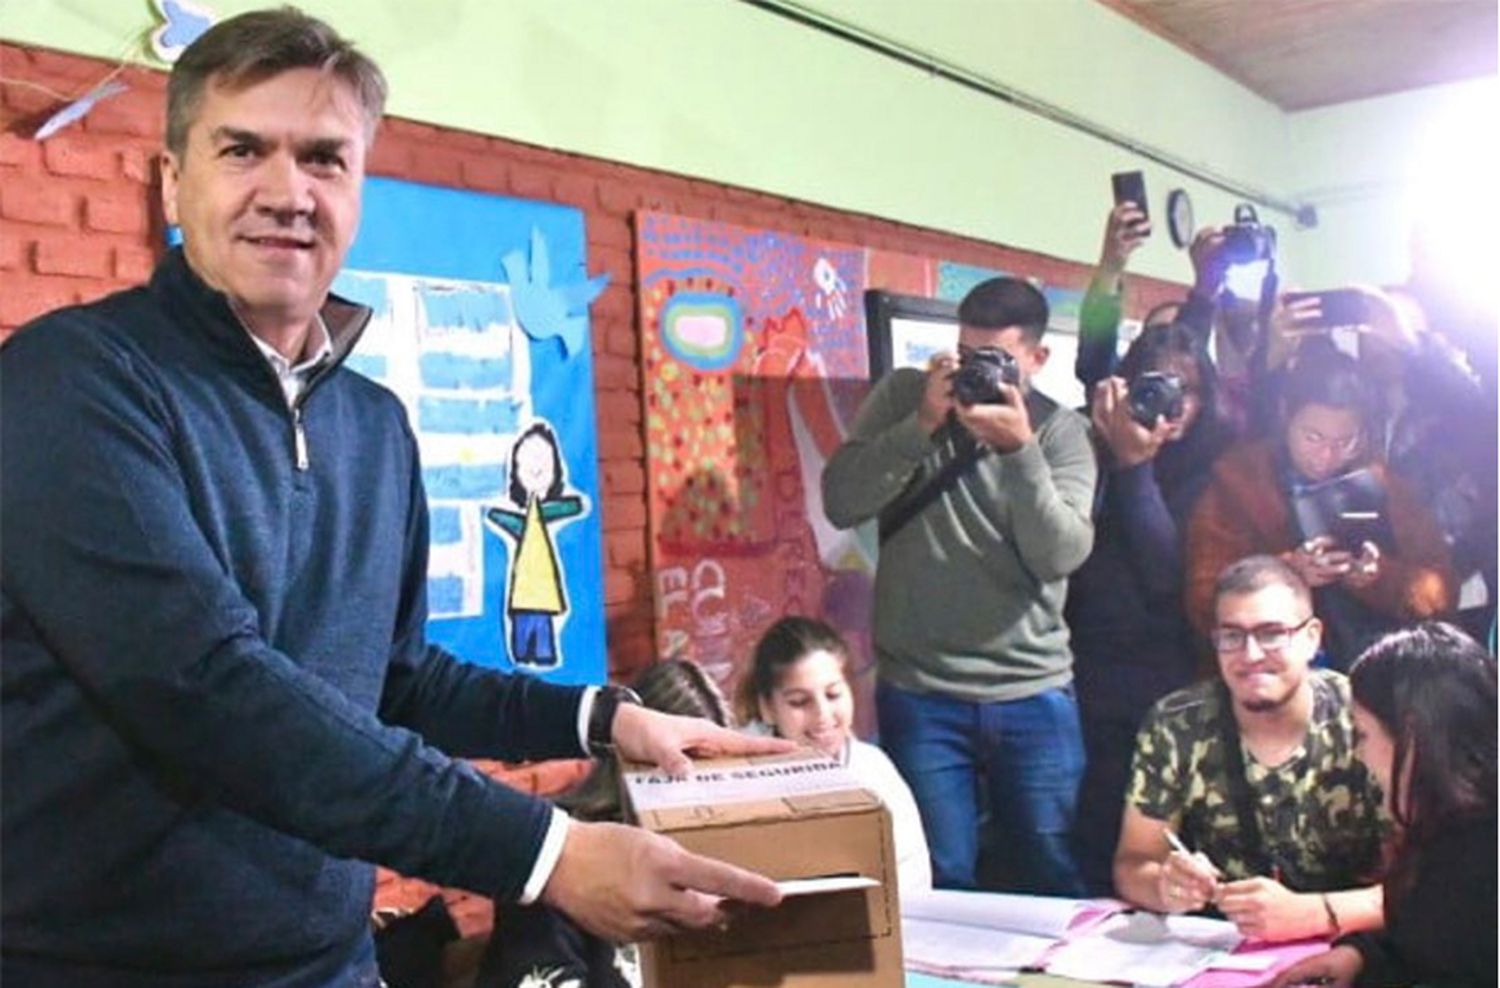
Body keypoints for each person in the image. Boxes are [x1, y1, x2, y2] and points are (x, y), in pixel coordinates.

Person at [0, 10, 790, 985]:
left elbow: (397, 676)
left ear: (358, 188)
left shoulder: (371, 422)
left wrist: (602, 719)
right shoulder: (73, 384)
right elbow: (205, 686)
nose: (287, 191)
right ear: (174, 178)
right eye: (243, 149)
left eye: (325, 158)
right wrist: (546, 852)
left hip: (331, 961)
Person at [823, 276, 1096, 894]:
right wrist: (920, 424)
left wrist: (1020, 451)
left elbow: (1059, 555)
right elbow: (841, 500)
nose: (979, 371)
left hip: (1032, 691)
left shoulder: (1061, 434)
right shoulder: (906, 396)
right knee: (936, 876)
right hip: (923, 690)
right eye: (969, 355)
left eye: (997, 358)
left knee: (1053, 872)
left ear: (1037, 357)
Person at [1114, 556, 1388, 942]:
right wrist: (1165, 886)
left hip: (1357, 941)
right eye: (1232, 636)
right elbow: (1133, 862)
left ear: (1312, 638)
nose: (1251, 654)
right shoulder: (1177, 723)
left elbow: (1425, 887)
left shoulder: (1365, 717)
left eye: (1271, 633)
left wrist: (1311, 914)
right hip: (1227, 945)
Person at [1067, 320, 1234, 893]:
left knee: (1165, 832)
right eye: (1156, 385)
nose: (1173, 404)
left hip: (1168, 675)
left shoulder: (1217, 469)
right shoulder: (1085, 448)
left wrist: (1137, 466)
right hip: (1086, 666)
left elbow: (1171, 577)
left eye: (1188, 389)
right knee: (1090, 825)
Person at [1185, 342, 1454, 670]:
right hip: (1264, 672)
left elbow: (1441, 593)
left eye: (1345, 442)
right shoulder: (1239, 482)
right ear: (1287, 417)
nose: (1327, 456)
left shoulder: (1388, 487)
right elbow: (1202, 600)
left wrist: (1381, 577)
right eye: (1312, 437)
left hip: (1371, 672)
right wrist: (1286, 573)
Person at [480, 659, 735, 988]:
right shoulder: (562, 852)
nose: (701, 795)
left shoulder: (711, 855)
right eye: (685, 773)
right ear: (632, 760)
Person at [1272, 622, 1497, 988]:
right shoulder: (1441, 832)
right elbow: (1422, 944)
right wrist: (1360, 957)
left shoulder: (1482, 854)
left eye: (1363, 735)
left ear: (1411, 734)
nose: (1358, 755)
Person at [739, 616, 933, 894]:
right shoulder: (738, 779)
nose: (822, 715)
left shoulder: (874, 770)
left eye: (832, 695)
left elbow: (910, 876)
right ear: (767, 707)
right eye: (799, 702)